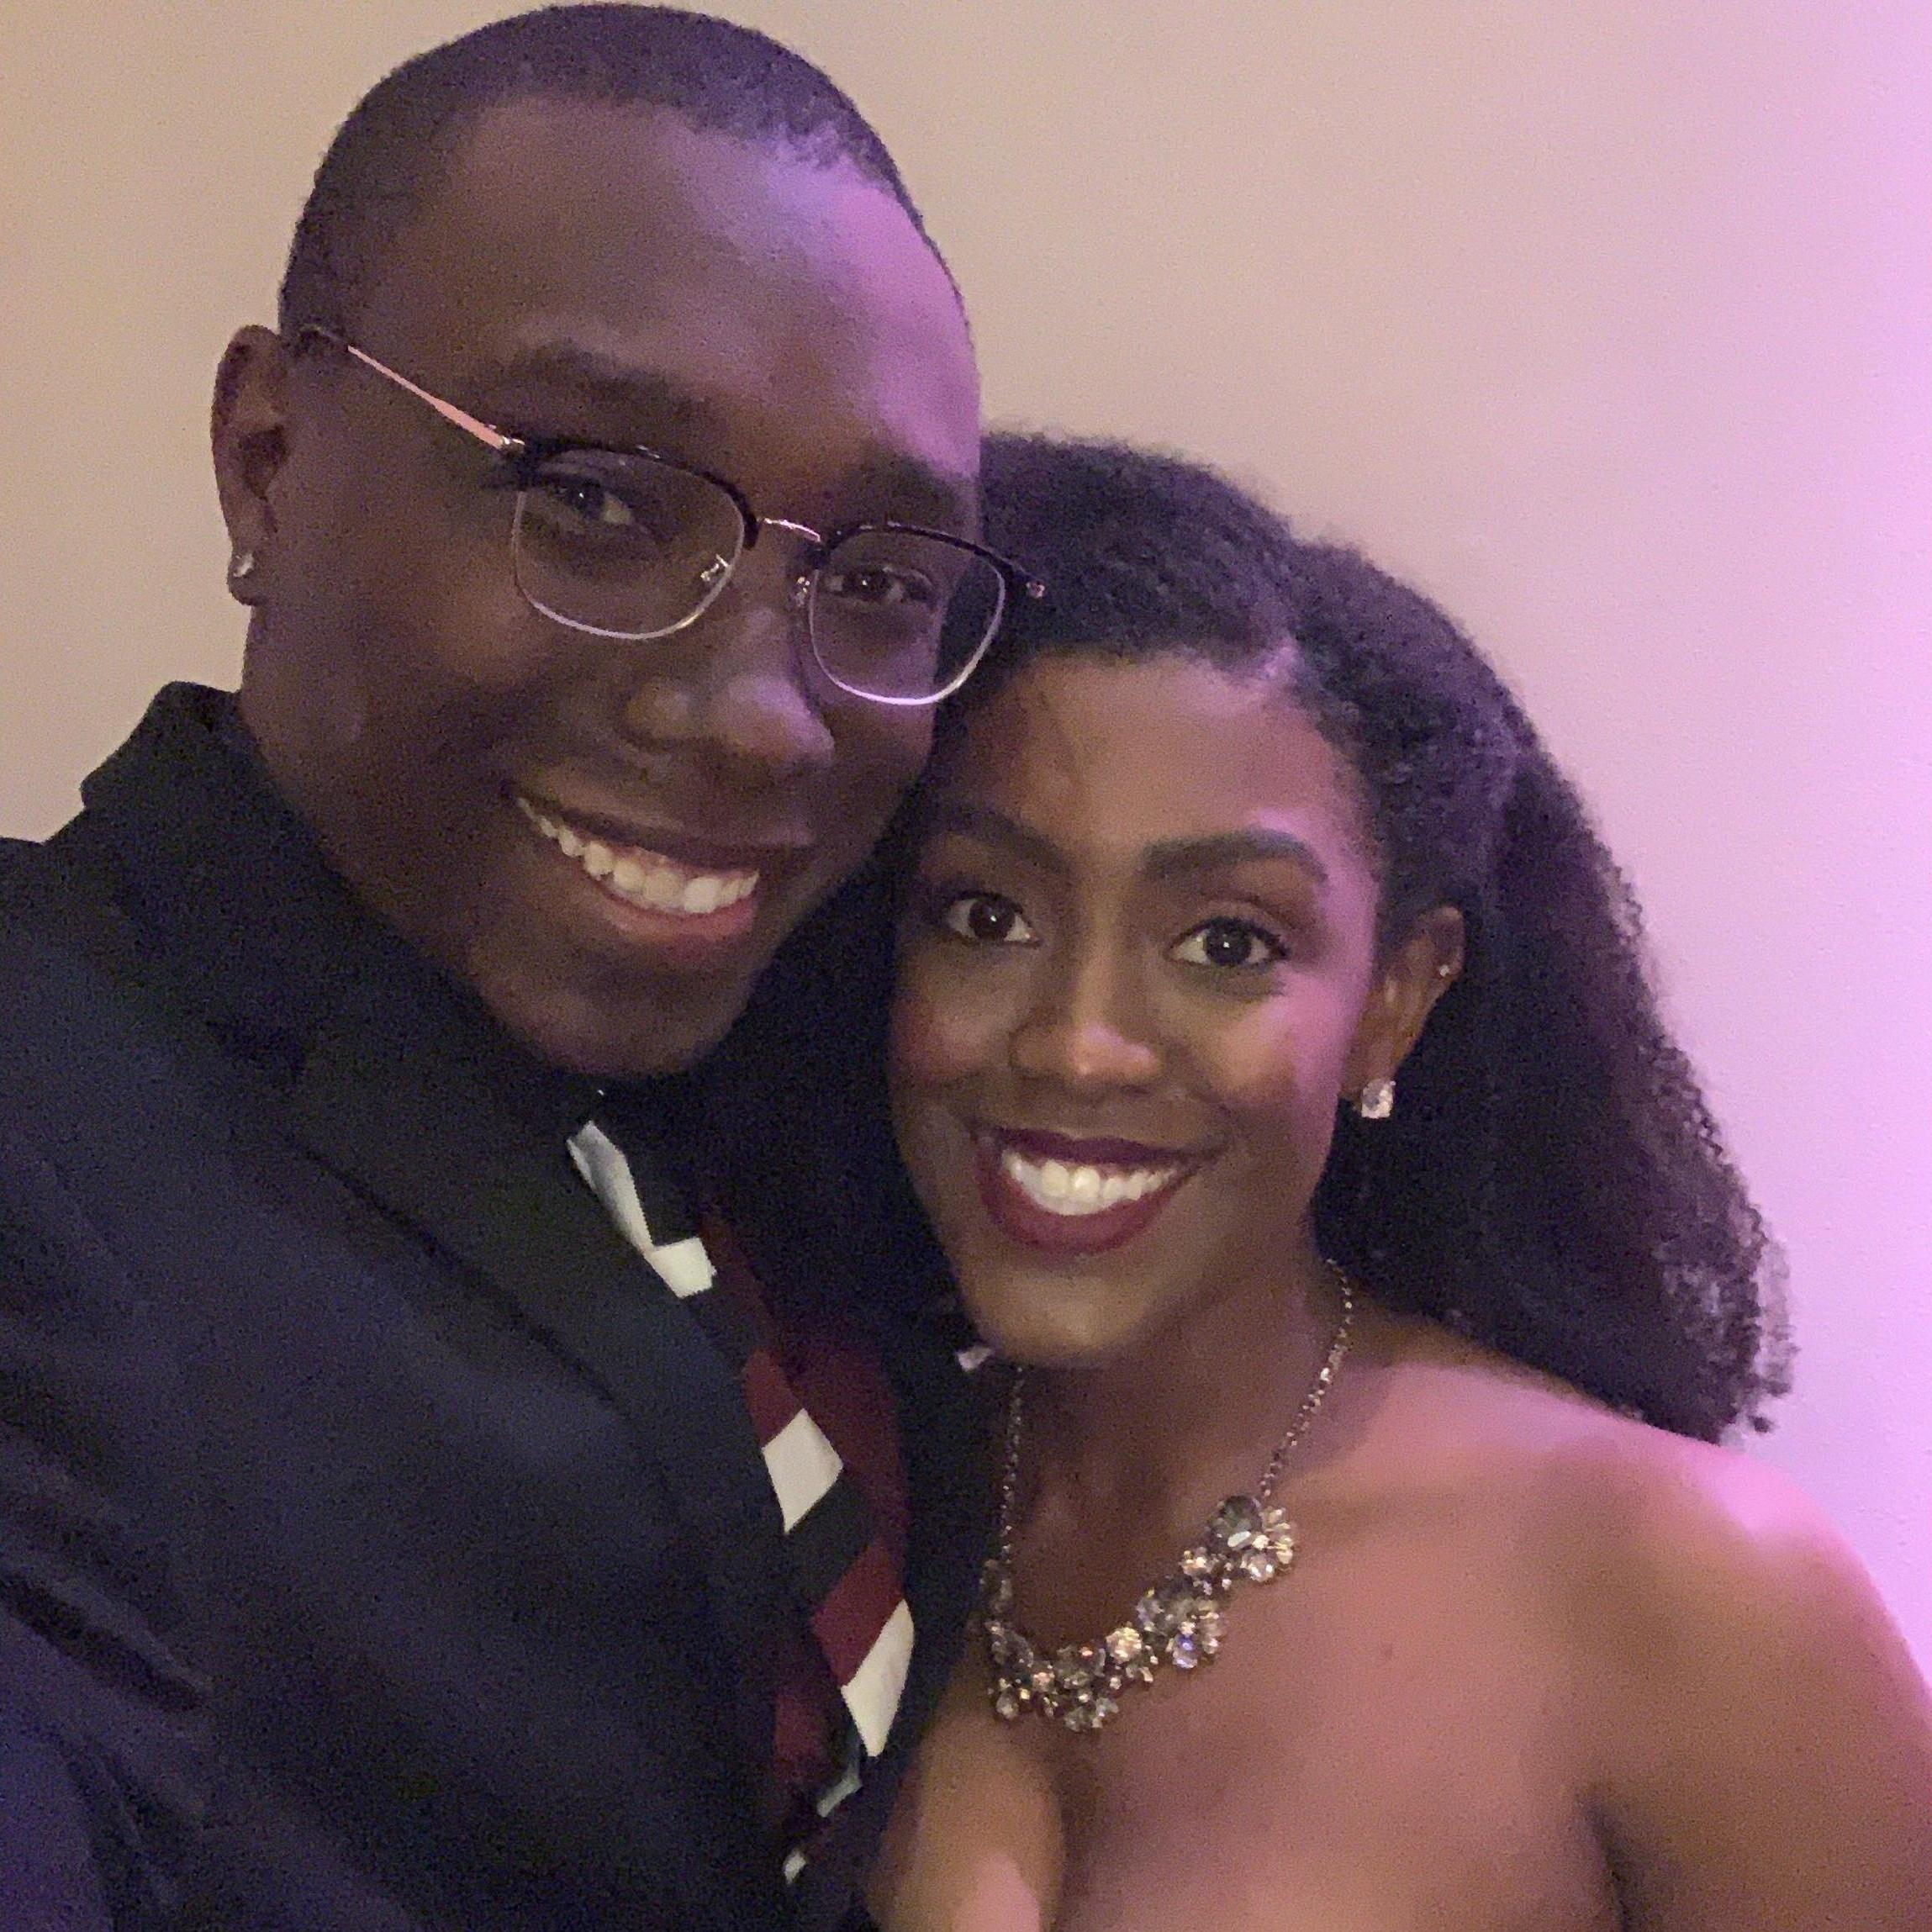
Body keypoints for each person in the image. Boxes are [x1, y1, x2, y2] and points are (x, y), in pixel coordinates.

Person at [0, 8, 1039, 1927]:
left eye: (881, 578)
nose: (765, 720)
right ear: (266, 460)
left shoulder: (835, 1090)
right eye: (598, 501)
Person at [859, 435, 1932, 1929]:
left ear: (1393, 998)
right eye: (986, 914)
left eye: (1226, 942)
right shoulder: (849, 1491)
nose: (1078, 1044)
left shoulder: (1682, 1594)